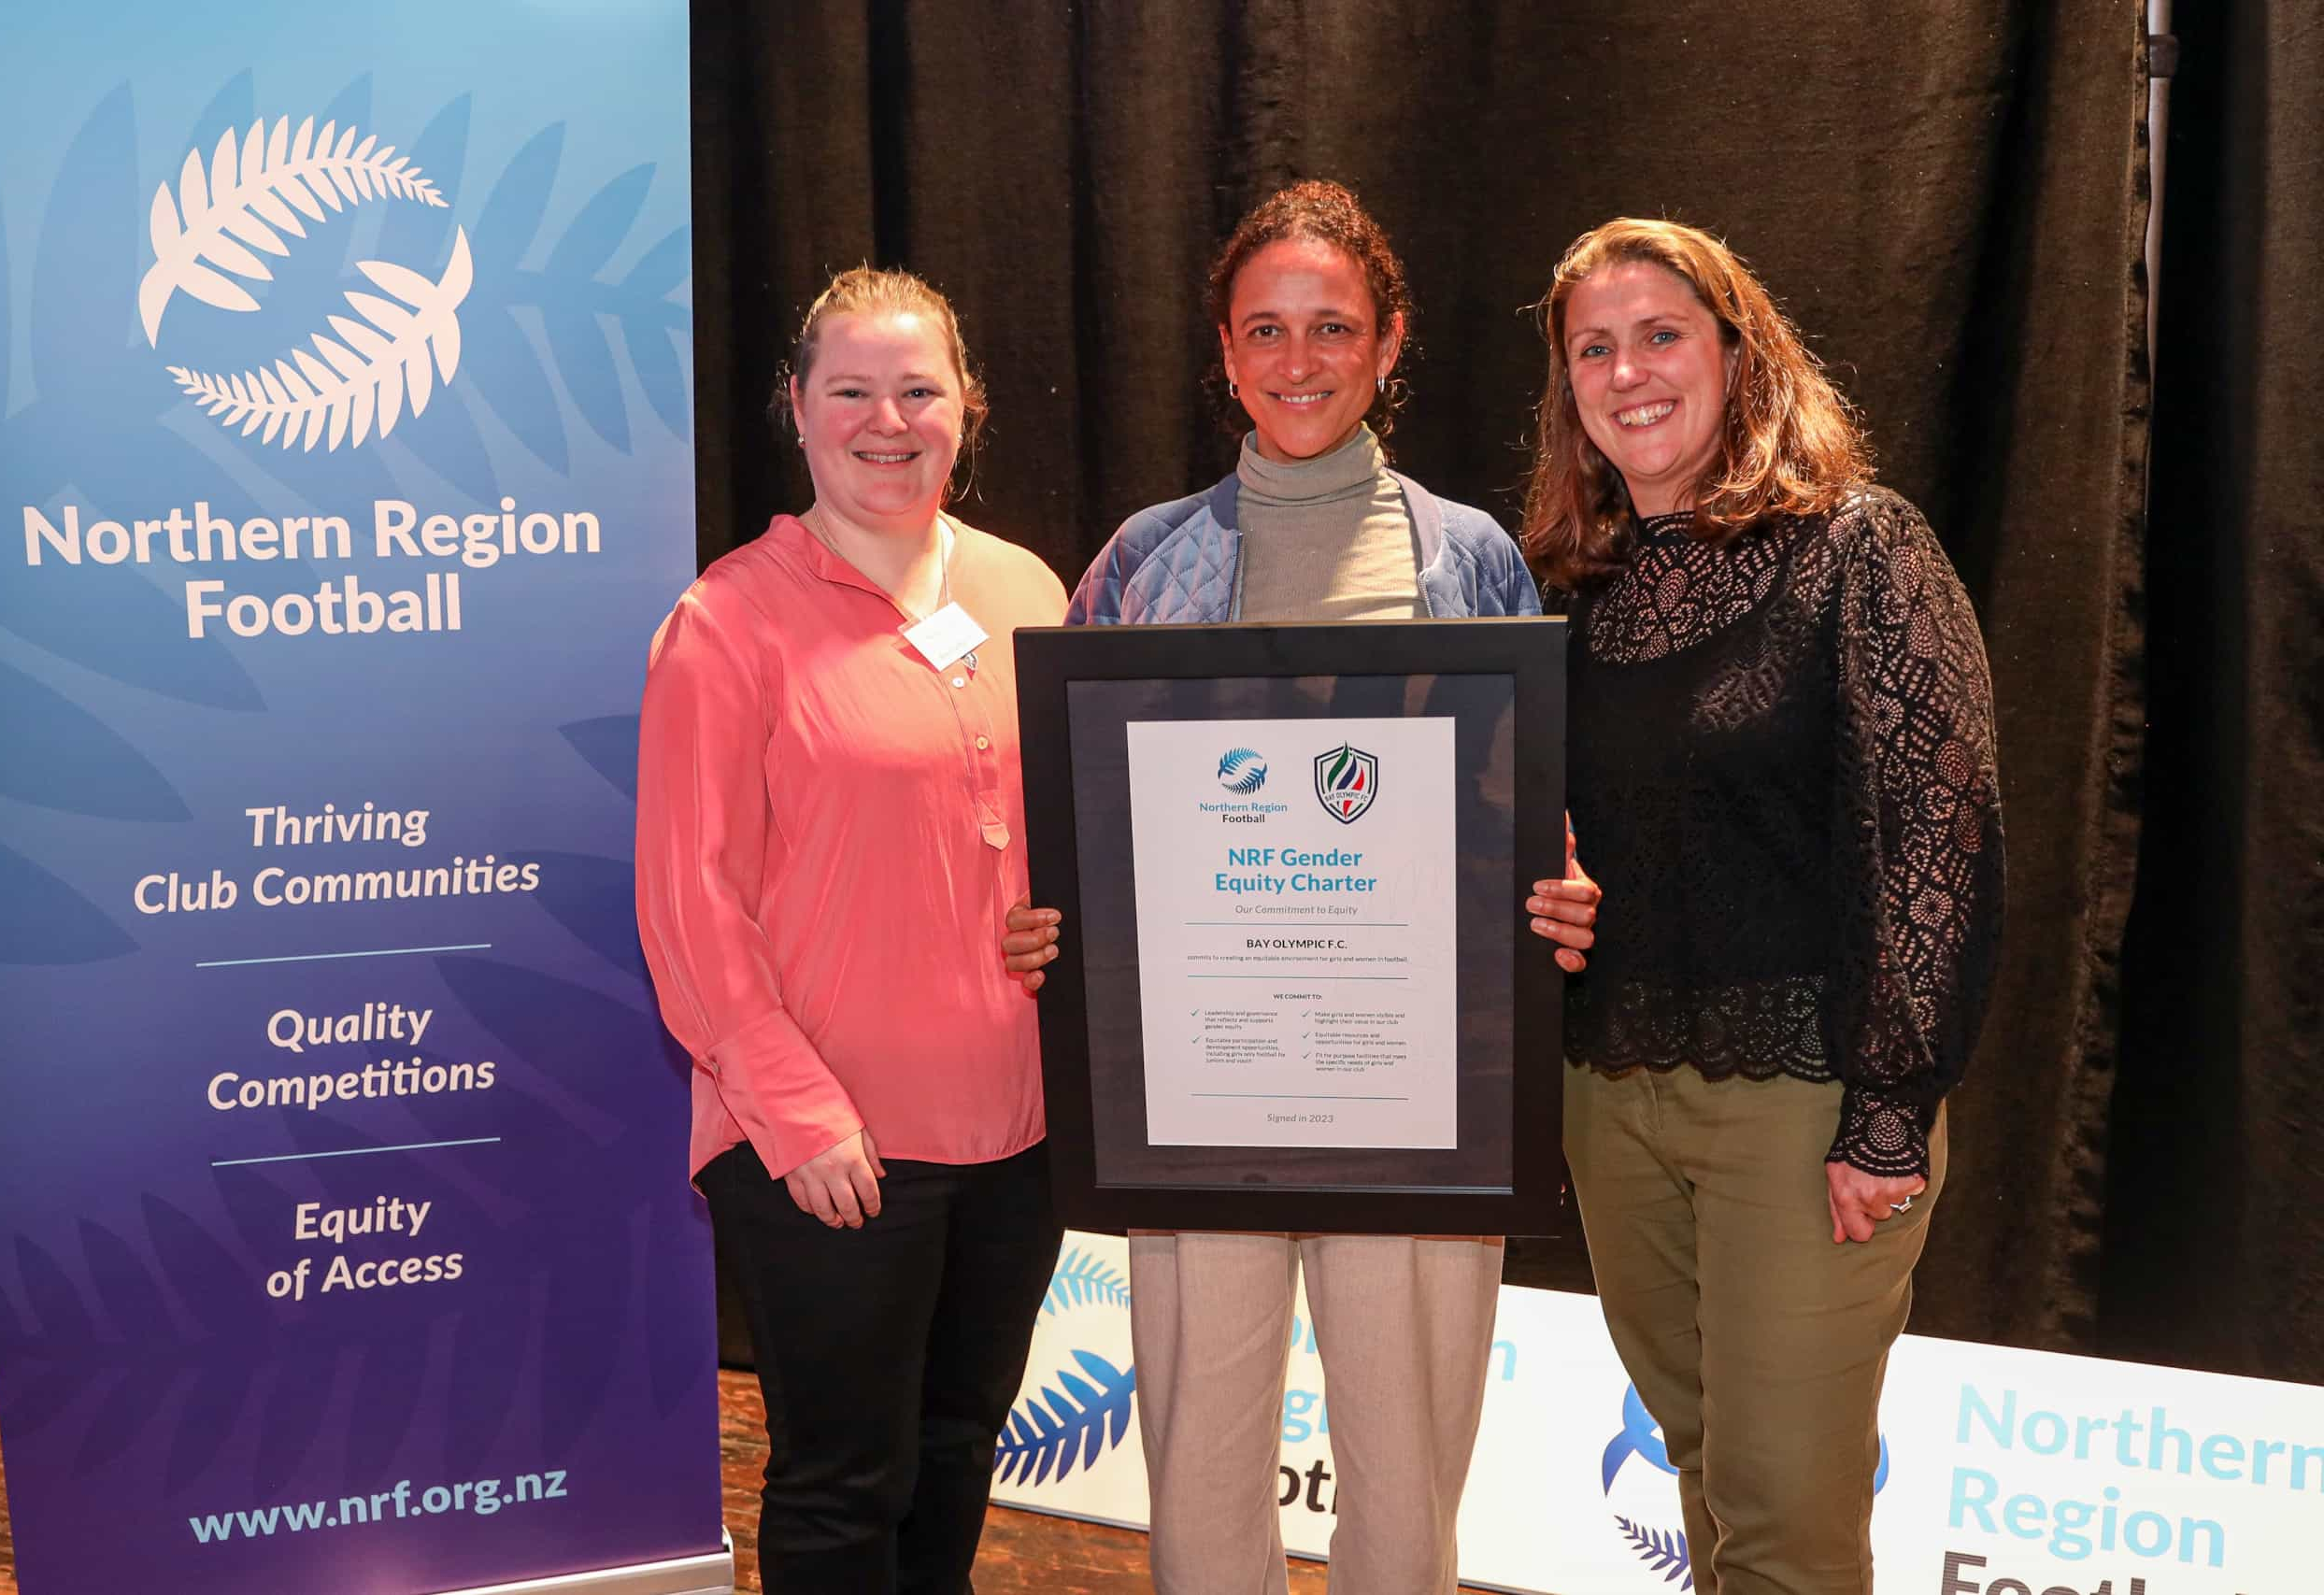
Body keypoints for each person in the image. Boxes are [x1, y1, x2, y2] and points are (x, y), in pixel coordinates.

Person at [1003, 179, 1600, 1595]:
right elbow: (1082, 817)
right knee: (1200, 1464)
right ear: (1222, 350)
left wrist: (1556, 901)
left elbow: (1528, 818)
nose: (1298, 358)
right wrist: (1050, 926)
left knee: (1405, 1481)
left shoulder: (1470, 558)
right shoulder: (1144, 562)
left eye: (1332, 325)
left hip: (1419, 1093)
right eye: (1265, 328)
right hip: (1197, 1095)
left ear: (1390, 342)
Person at [1521, 218, 2004, 1595]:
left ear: (1740, 352)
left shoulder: (1857, 551)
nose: (1629, 372)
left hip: (1807, 1110)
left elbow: (1938, 838)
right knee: (1705, 1474)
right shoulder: (1572, 586)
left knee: (1786, 1520)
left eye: (1661, 334)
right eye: (1594, 349)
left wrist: (1890, 1106)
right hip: (1610, 1096)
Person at [635, 265, 1065, 1595]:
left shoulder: (1027, 592)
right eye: (854, 390)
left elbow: (1061, 821)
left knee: (954, 1452)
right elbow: (687, 894)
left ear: (968, 407)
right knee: (842, 1481)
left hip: (1019, 1130)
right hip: (829, 1140)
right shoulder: (727, 622)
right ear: (800, 409)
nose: (890, 419)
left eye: (919, 388)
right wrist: (791, 1106)